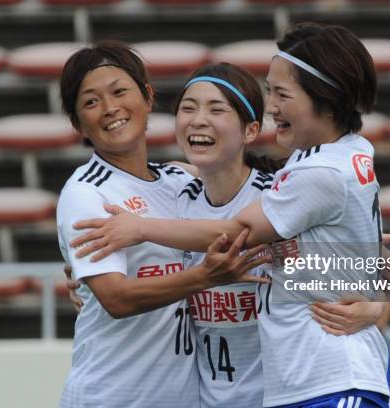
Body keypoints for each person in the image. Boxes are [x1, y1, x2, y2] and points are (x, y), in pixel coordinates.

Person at [71, 23, 390, 407]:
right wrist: (88, 278)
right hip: (223, 397)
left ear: (251, 129)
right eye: (188, 108)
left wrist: (377, 303)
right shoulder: (172, 193)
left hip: (314, 381)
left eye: (216, 109)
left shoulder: (287, 186)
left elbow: (378, 263)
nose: (198, 120)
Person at [56, 39, 271, 408]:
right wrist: (204, 277)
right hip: (111, 398)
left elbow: (243, 184)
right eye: (91, 102)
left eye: (119, 91)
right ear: (79, 124)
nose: (110, 109)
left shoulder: (181, 182)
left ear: (148, 98)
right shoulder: (86, 192)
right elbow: (116, 298)